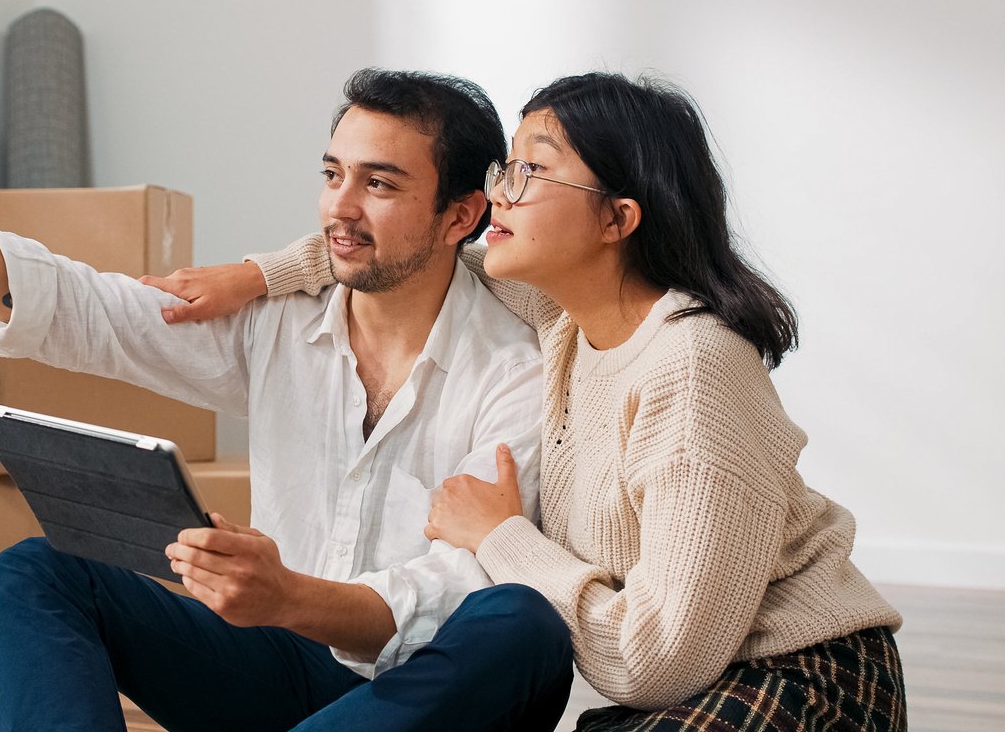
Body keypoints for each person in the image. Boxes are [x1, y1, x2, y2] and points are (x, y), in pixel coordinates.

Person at [0, 68, 574, 731]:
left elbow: (453, 589)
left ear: (461, 215)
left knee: (519, 624)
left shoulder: (516, 368)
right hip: (273, 665)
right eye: (333, 174)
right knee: (35, 570)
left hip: (419, 696)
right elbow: (83, 309)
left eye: (379, 184)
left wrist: (289, 595)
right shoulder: (275, 325)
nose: (340, 206)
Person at [152, 72, 907, 731]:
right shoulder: (560, 317)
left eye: (530, 173)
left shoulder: (691, 366)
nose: (497, 194)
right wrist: (257, 274)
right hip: (688, 687)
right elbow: (395, 240)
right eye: (503, 168)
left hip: (797, 682)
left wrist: (502, 536)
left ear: (617, 219)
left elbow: (653, 666)